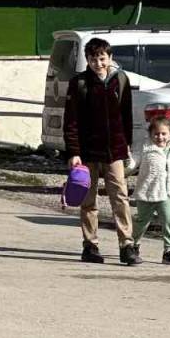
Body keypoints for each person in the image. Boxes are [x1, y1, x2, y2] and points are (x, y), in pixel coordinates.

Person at [63, 37, 138, 265]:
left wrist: (127, 145)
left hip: (114, 150)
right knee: (88, 200)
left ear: (110, 58)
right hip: (87, 153)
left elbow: (127, 116)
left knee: (120, 198)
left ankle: (127, 245)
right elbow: (71, 121)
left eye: (102, 58)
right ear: (87, 60)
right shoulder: (79, 83)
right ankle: (90, 245)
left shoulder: (120, 81)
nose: (98, 63)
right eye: (93, 58)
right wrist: (73, 151)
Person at [133, 117, 170, 265]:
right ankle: (133, 245)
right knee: (142, 222)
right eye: (156, 134)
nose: (160, 137)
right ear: (150, 134)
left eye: (163, 133)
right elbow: (134, 161)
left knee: (169, 220)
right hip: (147, 191)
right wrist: (126, 164)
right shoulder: (145, 148)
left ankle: (169, 251)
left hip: (166, 192)